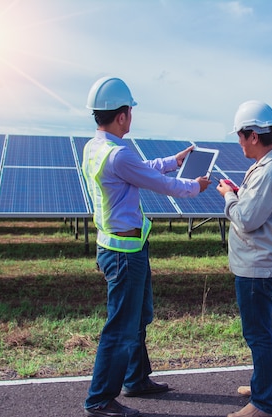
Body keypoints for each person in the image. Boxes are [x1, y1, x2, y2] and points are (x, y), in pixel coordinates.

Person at [81, 76, 211, 417]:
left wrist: (175, 159)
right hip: (124, 253)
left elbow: (142, 169)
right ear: (123, 115)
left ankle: (136, 378)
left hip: (122, 247)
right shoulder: (118, 155)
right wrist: (195, 186)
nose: (131, 117)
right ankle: (99, 399)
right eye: (131, 111)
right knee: (121, 326)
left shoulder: (96, 148)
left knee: (138, 317)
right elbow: (159, 183)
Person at [216, 100, 272, 417]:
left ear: (252, 136)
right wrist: (240, 194)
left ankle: (263, 403)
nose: (238, 141)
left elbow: (246, 218)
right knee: (270, 329)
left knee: (258, 334)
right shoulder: (270, 166)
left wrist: (228, 196)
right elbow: (256, 208)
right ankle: (270, 386)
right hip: (266, 263)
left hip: (257, 268)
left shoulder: (269, 171)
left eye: (239, 135)